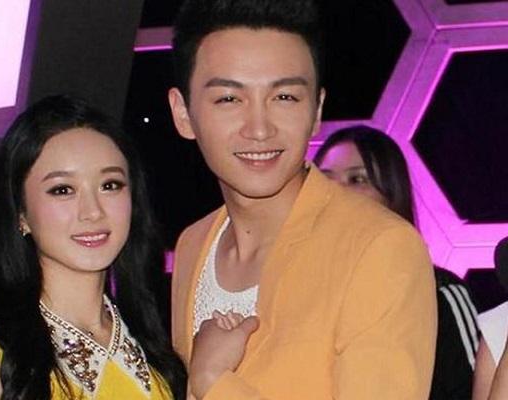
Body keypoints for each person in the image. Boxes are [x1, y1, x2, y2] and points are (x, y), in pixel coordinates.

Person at [167, 0, 437, 398]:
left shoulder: (378, 247)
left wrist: (213, 381)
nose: (259, 129)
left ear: (316, 110)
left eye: (285, 98)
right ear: (183, 113)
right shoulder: (193, 244)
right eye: (229, 99)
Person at [0, 95, 186, 399]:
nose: (92, 211)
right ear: (21, 213)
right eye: (63, 190)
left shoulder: (155, 345)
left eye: (110, 185)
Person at [314, 125, 480, 400]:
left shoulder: (438, 292)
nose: (336, 191)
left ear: (391, 196)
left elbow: (475, 390)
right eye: (324, 179)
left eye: (357, 179)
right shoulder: (296, 287)